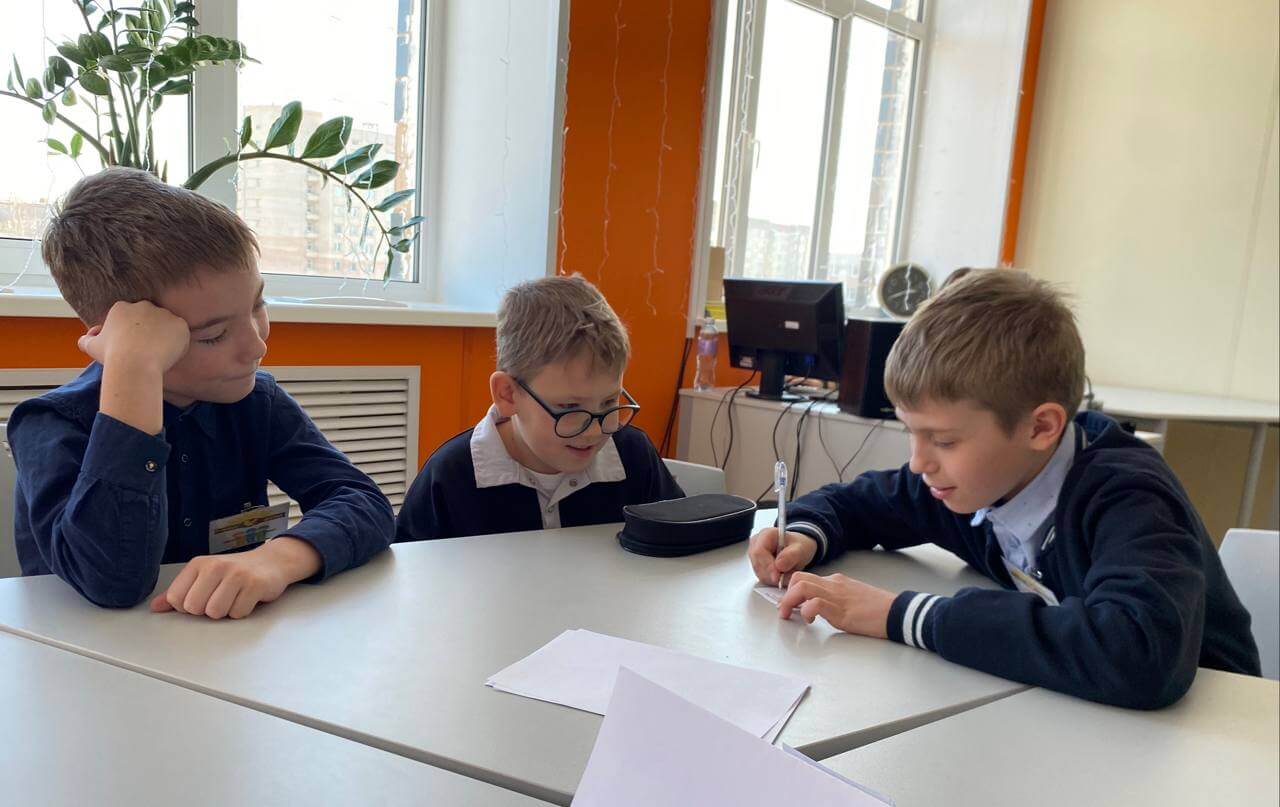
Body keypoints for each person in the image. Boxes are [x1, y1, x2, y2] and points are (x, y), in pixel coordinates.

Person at [748, 270, 1260, 708]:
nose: (919, 462)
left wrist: (900, 615)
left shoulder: (1128, 497)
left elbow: (1138, 653)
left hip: (1213, 738)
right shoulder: (979, 478)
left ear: (1040, 428)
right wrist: (806, 534)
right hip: (1078, 713)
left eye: (944, 440)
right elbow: (859, 503)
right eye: (912, 433)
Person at [8, 168, 394, 618]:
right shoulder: (51, 424)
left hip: (224, 641)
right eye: (212, 335)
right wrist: (134, 373)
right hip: (84, 649)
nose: (257, 346)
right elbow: (111, 581)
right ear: (124, 334)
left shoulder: (257, 404)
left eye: (258, 305)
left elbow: (364, 502)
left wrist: (278, 558)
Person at [396, 275, 683, 540]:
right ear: (508, 395)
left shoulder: (633, 456)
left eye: (609, 402)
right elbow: (409, 570)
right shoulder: (450, 476)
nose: (595, 431)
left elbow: (681, 548)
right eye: (570, 407)